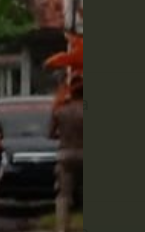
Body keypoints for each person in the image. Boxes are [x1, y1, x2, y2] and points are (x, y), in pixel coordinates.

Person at [49, 80, 84, 232]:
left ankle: (62, 227)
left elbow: (50, 134)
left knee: (63, 194)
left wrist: (62, 134)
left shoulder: (60, 111)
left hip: (65, 154)